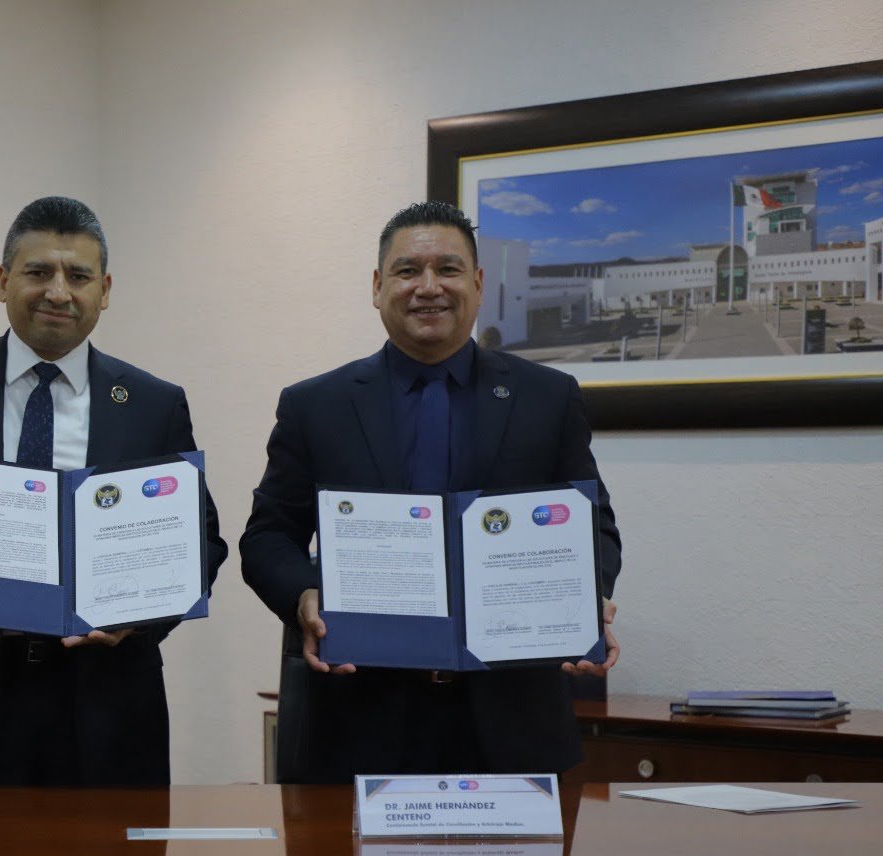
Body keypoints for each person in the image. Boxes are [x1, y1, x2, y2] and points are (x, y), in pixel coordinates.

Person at [0, 195, 227, 787]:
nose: (58, 292)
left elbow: (202, 542)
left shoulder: (153, 404)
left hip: (103, 707)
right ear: (4, 281)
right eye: (38, 272)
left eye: (78, 276)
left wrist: (141, 613)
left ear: (105, 290)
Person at [239, 201, 620, 781]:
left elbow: (595, 529)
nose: (428, 287)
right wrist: (304, 595)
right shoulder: (315, 406)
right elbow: (268, 537)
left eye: (447, 269)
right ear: (377, 287)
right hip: (356, 721)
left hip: (512, 723)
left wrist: (584, 595)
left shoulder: (547, 397)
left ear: (478, 283)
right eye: (407, 270)